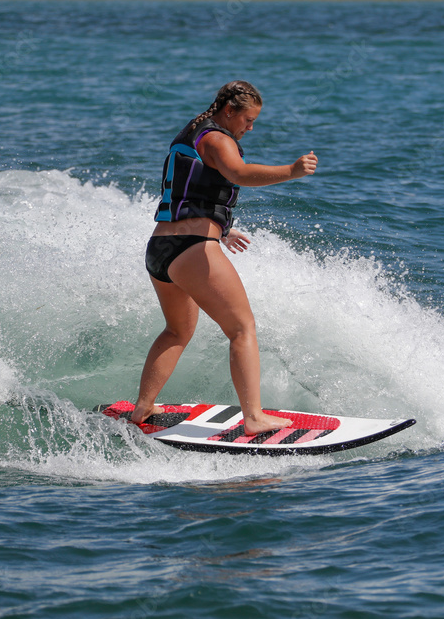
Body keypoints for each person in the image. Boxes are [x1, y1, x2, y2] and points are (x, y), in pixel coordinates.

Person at [132, 80, 318, 435]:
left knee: (177, 330)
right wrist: (290, 172)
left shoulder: (193, 133)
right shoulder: (218, 138)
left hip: (160, 250)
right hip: (191, 249)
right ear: (228, 111)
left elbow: (191, 191)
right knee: (242, 328)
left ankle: (144, 406)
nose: (250, 128)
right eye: (247, 120)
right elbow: (238, 173)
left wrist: (223, 227)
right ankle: (253, 417)